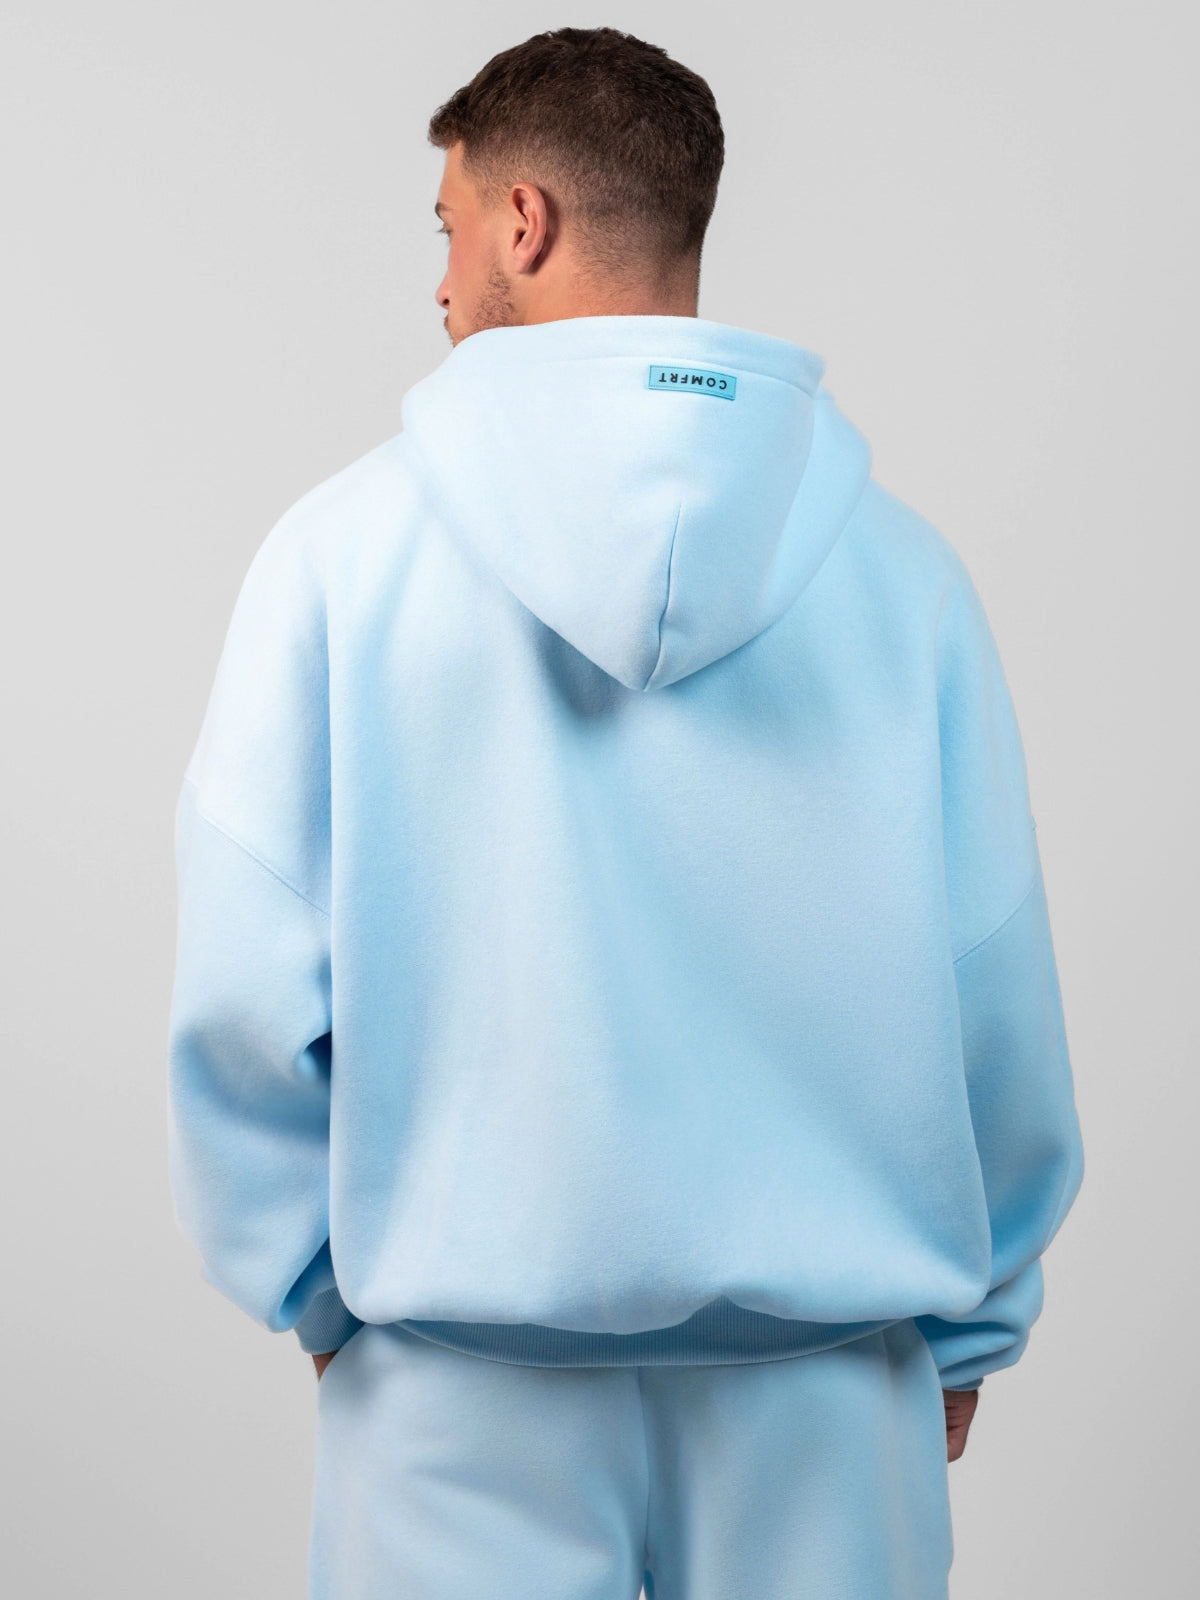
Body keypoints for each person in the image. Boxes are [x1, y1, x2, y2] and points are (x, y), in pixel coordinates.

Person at [167, 25, 1086, 1600]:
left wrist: (316, 1294)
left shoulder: (338, 560)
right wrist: (971, 1324)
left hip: (458, 1399)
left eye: (449, 226)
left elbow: (246, 994)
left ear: (521, 221)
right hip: (828, 1396)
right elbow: (991, 986)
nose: (441, 280)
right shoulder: (904, 578)